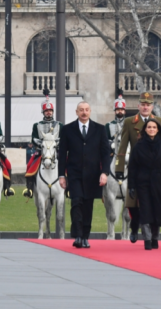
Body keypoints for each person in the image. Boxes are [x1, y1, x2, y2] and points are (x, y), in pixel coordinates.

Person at [115, 92, 161, 243]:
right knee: (132, 202)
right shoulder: (130, 122)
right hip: (136, 168)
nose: (145, 107)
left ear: (152, 106)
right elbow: (123, 146)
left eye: (148, 105)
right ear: (138, 106)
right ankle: (134, 226)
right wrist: (119, 169)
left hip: (155, 170)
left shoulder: (160, 122)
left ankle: (151, 233)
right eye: (143, 105)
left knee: (152, 201)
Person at [58, 101, 111, 248]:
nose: (84, 112)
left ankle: (85, 236)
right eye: (81, 110)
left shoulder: (100, 129)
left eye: (87, 110)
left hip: (93, 175)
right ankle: (78, 236)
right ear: (76, 112)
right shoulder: (68, 129)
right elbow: (62, 154)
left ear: (90, 111)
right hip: (74, 174)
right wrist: (61, 175)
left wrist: (105, 173)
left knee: (88, 206)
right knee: (76, 202)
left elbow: (105, 154)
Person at [128, 119, 161, 250]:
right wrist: (131, 185)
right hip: (143, 181)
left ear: (158, 129)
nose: (152, 129)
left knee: (157, 210)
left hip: (159, 181)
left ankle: (155, 238)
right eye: (149, 127)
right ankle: (147, 239)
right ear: (145, 129)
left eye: (154, 127)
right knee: (145, 210)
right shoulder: (138, 146)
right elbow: (132, 167)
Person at [23, 89, 63, 198]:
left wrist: (56, 143)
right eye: (46, 111)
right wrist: (43, 144)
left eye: (50, 110)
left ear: (53, 112)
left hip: (56, 152)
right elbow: (34, 139)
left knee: (69, 165)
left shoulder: (60, 125)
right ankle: (30, 189)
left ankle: (68, 189)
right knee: (30, 165)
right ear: (43, 112)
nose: (48, 112)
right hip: (42, 152)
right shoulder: (37, 125)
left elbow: (63, 138)